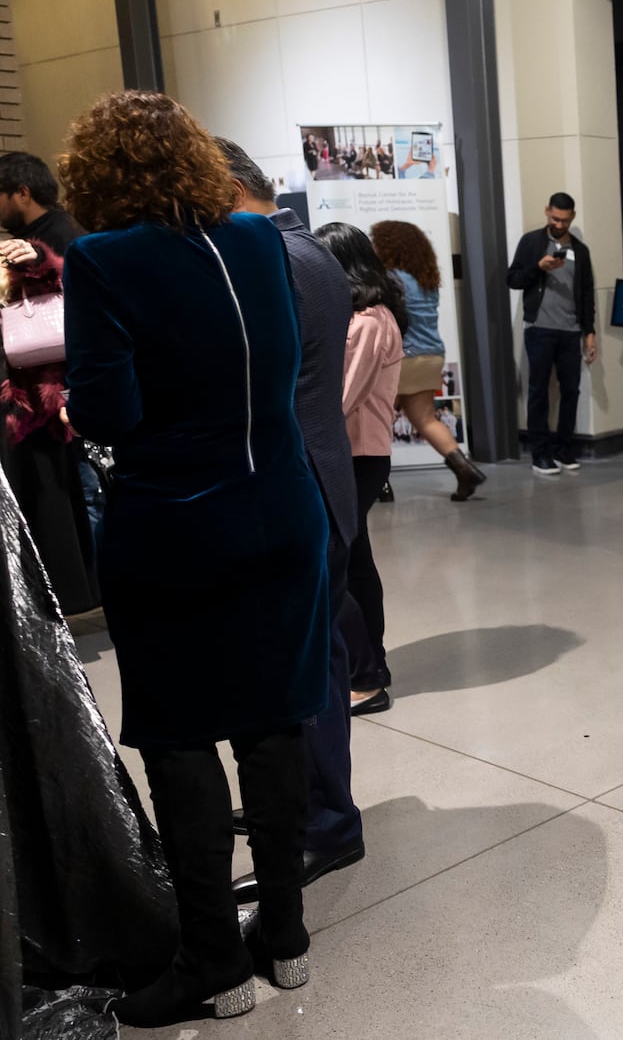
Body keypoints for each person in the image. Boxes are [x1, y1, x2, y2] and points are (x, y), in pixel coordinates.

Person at [60, 90, 327, 1027]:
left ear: (95, 174)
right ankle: (284, 938)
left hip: (174, 527)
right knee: (273, 721)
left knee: (179, 737)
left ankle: (215, 961)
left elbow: (106, 413)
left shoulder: (100, 260)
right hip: (284, 512)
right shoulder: (258, 242)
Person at [215, 138, 369, 904]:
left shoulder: (267, 257)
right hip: (322, 477)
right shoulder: (307, 248)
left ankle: (323, 821)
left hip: (295, 485)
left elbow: (255, 385)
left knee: (300, 672)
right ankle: (308, 804)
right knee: (320, 665)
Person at [0, 152, 102, 617]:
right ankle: (85, 589)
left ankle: (85, 591)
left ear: (22, 192)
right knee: (72, 489)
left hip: (51, 390)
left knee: (74, 490)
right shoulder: (53, 235)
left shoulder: (53, 239)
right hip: (51, 389)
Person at [315, 222, 405, 717]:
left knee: (343, 563)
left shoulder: (369, 322)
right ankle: (370, 665)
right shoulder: (359, 315)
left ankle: (367, 676)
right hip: (351, 454)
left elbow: (341, 398)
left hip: (358, 455)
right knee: (354, 559)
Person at [370, 219, 486, 500]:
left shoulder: (390, 279)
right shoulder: (427, 280)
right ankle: (464, 469)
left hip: (401, 357)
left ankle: (380, 485)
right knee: (425, 419)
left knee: (377, 421)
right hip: (432, 354)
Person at [508, 192, 596, 475]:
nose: (559, 224)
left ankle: (564, 449)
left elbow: (586, 294)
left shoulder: (580, 251)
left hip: (571, 331)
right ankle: (540, 454)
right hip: (540, 329)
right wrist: (539, 267)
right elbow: (514, 280)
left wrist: (589, 333)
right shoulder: (532, 242)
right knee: (538, 391)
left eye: (565, 220)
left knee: (571, 390)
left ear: (572, 217)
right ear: (547, 211)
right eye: (554, 218)